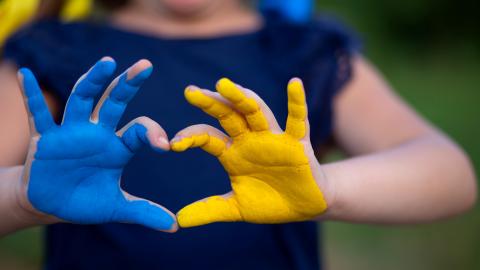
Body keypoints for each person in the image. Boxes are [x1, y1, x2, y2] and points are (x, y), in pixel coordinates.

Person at [0, 0, 476, 269]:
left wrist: (328, 190)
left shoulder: (302, 52)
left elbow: (450, 174)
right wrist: (22, 199)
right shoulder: (50, 51)